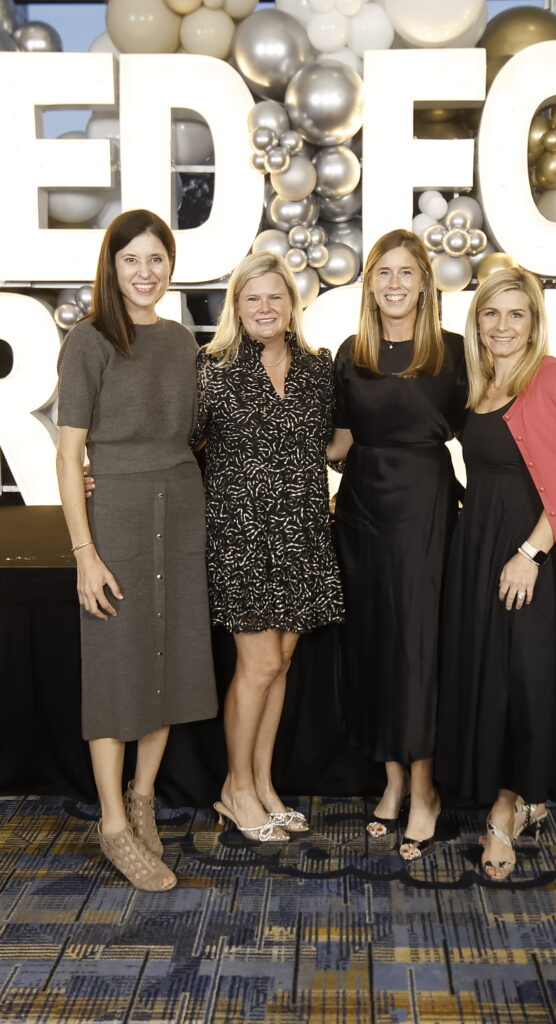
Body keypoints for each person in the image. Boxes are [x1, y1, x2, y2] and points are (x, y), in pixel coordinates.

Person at [56, 209, 217, 891]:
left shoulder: (182, 341)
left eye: (156, 259)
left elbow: (195, 434)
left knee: (170, 659)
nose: (145, 272)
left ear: (170, 266)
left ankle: (146, 796)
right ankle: (115, 823)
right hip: (115, 514)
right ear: (111, 267)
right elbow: (68, 455)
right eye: (131, 260)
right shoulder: (87, 341)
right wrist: (84, 550)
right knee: (116, 665)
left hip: (181, 506)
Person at [435, 266, 556, 881]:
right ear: (476, 321)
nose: (502, 326)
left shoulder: (553, 378)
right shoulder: (475, 383)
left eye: (516, 315)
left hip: (528, 554)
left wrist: (530, 554)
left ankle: (504, 813)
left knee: (522, 683)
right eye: (491, 314)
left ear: (534, 323)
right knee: (489, 675)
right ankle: (521, 798)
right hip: (477, 547)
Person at [327, 229, 468, 861]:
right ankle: (390, 784)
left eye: (406, 273)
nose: (394, 284)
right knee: (377, 645)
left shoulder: (455, 354)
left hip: (426, 510)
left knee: (418, 650)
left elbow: (489, 429)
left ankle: (426, 790)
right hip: (361, 511)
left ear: (425, 284)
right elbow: (338, 442)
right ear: (370, 283)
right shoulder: (349, 353)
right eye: (383, 273)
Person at [196, 252, 344, 843]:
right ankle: (235, 789)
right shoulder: (213, 368)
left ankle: (261, 783)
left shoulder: (316, 368)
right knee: (256, 664)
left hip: (303, 531)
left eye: (275, 297)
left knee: (280, 664)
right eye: (252, 298)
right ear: (237, 305)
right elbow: (179, 444)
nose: (265, 308)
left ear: (292, 305)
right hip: (240, 535)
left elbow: (334, 443)